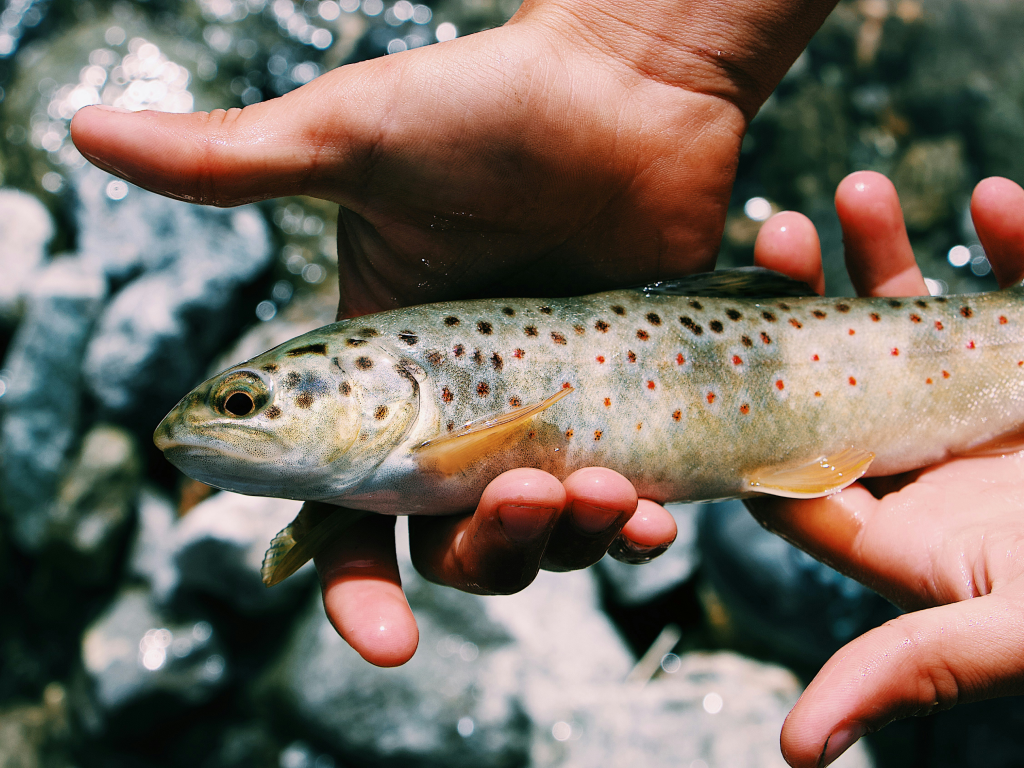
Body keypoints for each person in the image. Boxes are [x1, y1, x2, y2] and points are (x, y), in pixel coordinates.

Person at [69, 0, 1024, 762]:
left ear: (379, 390)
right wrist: (641, 57)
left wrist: (634, 55)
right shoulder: (365, 467)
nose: (211, 428)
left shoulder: (402, 446)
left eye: (245, 405)